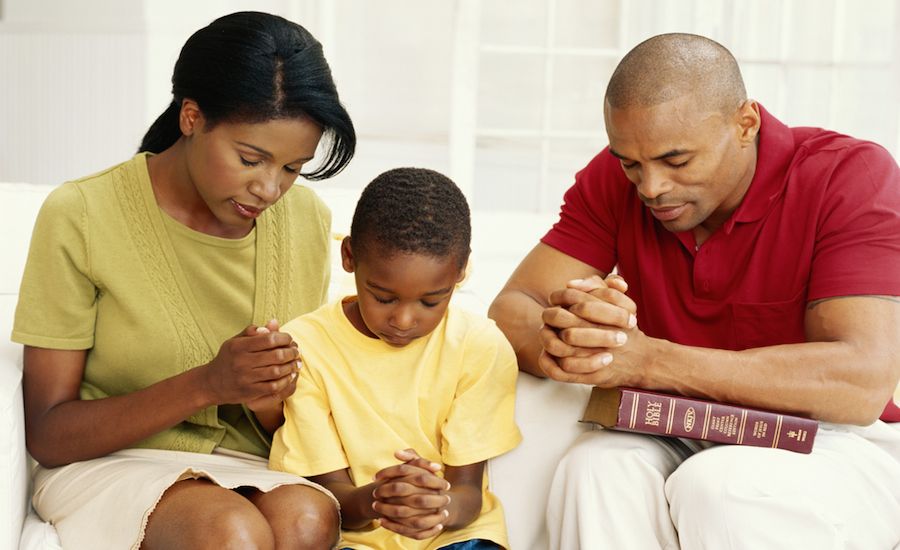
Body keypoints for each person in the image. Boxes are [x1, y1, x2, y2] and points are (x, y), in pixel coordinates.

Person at [489, 32, 900, 549]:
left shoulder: (847, 173)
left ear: (745, 123)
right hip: (680, 425)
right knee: (593, 468)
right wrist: (579, 339)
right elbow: (512, 309)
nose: (651, 187)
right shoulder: (623, 177)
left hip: (832, 443)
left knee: (721, 485)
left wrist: (645, 361)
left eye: (677, 161)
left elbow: (859, 382)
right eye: (630, 163)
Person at [12, 11, 355, 550]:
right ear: (192, 117)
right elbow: (50, 433)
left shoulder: (306, 220)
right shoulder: (82, 213)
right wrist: (208, 383)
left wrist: (268, 393)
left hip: (257, 466)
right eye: (250, 158)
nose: (270, 188)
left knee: (308, 521)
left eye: (292, 167)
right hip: (109, 463)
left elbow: (294, 421)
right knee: (231, 533)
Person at [269, 167, 522, 549]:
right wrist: (380, 499)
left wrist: (439, 506)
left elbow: (467, 493)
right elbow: (332, 496)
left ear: (461, 269)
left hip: (456, 537)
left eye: (431, 301)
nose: (403, 320)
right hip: (357, 540)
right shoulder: (306, 348)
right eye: (384, 298)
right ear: (349, 255)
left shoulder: (480, 346)